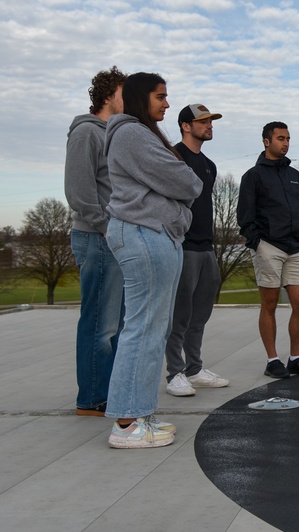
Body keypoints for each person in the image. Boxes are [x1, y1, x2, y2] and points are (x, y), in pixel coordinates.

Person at [104, 72, 203, 448]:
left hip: (152, 233)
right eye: (160, 97)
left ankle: (139, 413)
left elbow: (181, 179)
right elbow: (187, 182)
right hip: (143, 233)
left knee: (151, 328)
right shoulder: (131, 134)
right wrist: (180, 185)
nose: (165, 102)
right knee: (143, 328)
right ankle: (126, 425)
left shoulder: (139, 134)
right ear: (139, 97)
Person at [64, 66, 128, 417]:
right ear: (107, 96)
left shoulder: (113, 133)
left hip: (112, 238)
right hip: (96, 237)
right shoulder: (87, 133)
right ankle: (90, 398)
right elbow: (78, 191)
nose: (128, 99)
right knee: (100, 323)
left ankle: (106, 392)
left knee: (115, 324)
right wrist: (106, 227)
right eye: (123, 92)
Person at [237, 122, 299, 379]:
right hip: (268, 247)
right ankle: (273, 360)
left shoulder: (295, 175)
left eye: (288, 138)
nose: (285, 143)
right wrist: (257, 243)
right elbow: (245, 217)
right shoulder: (253, 176)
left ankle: (295, 358)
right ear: (266, 141)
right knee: (269, 304)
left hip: (296, 249)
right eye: (280, 138)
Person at [165, 104, 229, 397]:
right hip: (182, 245)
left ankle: (194, 368)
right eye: (203, 121)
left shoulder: (209, 165)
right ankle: (174, 373)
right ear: (185, 126)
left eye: (210, 121)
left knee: (200, 313)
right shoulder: (173, 157)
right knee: (180, 314)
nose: (209, 125)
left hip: (206, 246)